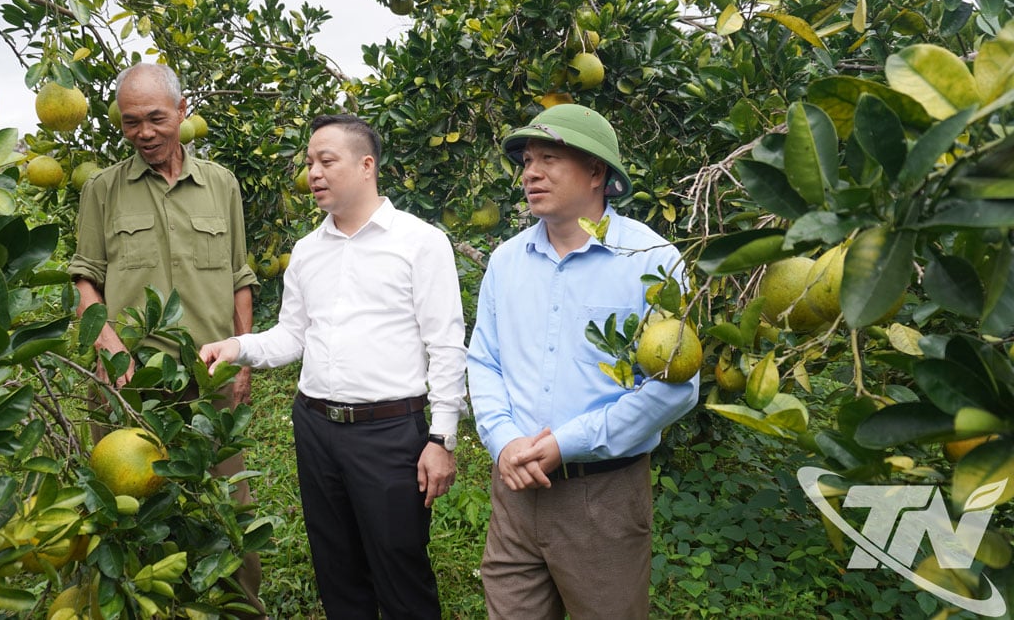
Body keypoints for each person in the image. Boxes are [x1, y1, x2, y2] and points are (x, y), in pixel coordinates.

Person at [199, 113, 467, 619]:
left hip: (390, 432)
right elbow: (292, 336)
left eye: (326, 161)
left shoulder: (420, 242)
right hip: (316, 428)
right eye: (309, 163)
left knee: (401, 571)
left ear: (367, 166)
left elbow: (447, 345)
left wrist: (442, 438)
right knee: (336, 571)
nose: (314, 174)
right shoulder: (306, 251)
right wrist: (237, 346)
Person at [466, 103, 699, 619]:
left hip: (603, 496)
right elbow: (484, 361)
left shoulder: (652, 261)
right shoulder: (506, 262)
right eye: (527, 160)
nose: (531, 173)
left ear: (596, 172)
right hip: (514, 492)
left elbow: (676, 386)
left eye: (548, 158)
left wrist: (566, 443)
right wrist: (503, 440)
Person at [67, 62, 264, 616]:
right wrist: (108, 344)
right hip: (129, 384)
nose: (145, 132)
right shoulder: (102, 189)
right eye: (131, 122)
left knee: (229, 509)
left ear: (182, 110)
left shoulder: (221, 184)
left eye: (156, 118)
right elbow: (85, 279)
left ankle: (240, 607)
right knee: (126, 513)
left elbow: (239, 278)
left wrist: (245, 357)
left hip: (210, 377)